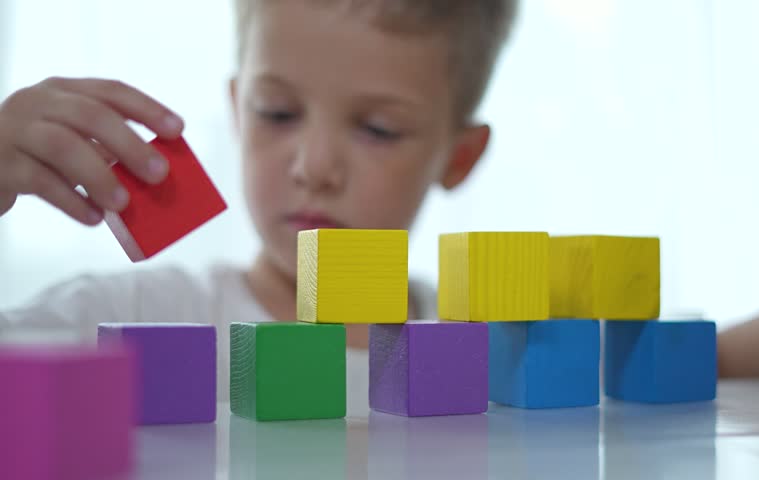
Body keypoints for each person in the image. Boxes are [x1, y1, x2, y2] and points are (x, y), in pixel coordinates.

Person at [0, 0, 519, 410]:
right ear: (237, 112)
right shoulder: (136, 320)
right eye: (277, 113)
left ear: (458, 158)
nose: (314, 167)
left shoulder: (500, 351)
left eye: (377, 129)